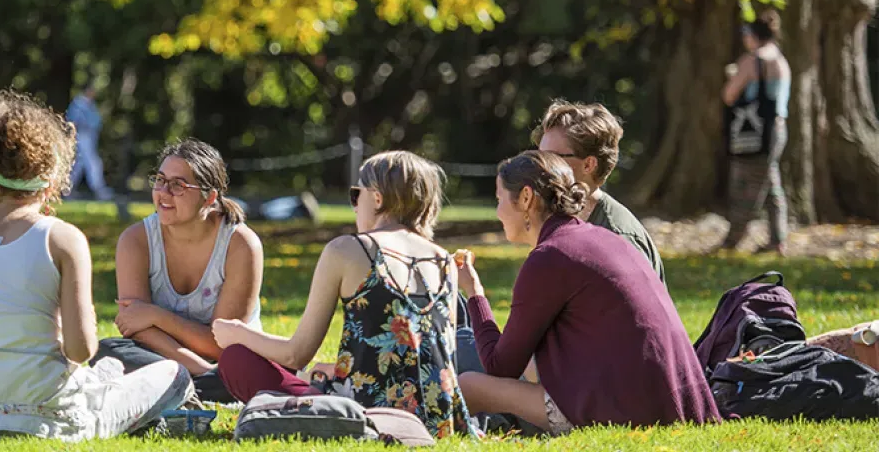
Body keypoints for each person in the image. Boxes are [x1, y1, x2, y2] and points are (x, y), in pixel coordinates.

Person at [0, 90, 191, 441]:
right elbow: (80, 350)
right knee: (173, 374)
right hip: (46, 415)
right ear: (51, 176)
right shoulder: (62, 238)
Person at [212, 151, 482, 439]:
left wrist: (238, 333)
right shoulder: (444, 261)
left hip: (364, 414)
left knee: (236, 360)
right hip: (438, 417)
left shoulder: (349, 249)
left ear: (377, 198)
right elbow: (425, 355)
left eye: (357, 195)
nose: (354, 206)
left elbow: (296, 353)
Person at [455, 150, 721, 435]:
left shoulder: (550, 256)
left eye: (499, 200)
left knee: (468, 385)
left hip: (621, 415)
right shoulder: (603, 237)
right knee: (529, 365)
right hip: (676, 405)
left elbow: (499, 367)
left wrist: (473, 291)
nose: (497, 212)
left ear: (526, 198)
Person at [91, 138, 263, 404]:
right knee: (108, 352)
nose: (163, 192)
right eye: (160, 180)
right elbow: (135, 327)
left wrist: (154, 315)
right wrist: (203, 372)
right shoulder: (135, 241)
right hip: (179, 360)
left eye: (178, 185)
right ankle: (200, 386)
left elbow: (223, 345)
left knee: (241, 367)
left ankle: (173, 387)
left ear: (210, 197)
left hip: (229, 360)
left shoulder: (241, 245)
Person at [532, 100, 665, 285]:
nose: (541, 166)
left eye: (551, 157)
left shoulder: (619, 237)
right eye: (539, 156)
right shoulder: (560, 221)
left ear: (588, 165)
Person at [718, 9, 790, 256]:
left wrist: (733, 76)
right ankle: (777, 240)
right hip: (778, 130)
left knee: (746, 187)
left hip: (755, 133)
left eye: (746, 33)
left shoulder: (753, 60)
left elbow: (729, 95)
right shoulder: (780, 60)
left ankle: (732, 240)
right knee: (771, 185)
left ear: (754, 34)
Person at [66, 82, 114, 201]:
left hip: (89, 137)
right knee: (93, 163)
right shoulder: (79, 104)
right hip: (82, 136)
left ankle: (67, 189)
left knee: (78, 165)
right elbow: (74, 122)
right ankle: (99, 189)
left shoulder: (90, 104)